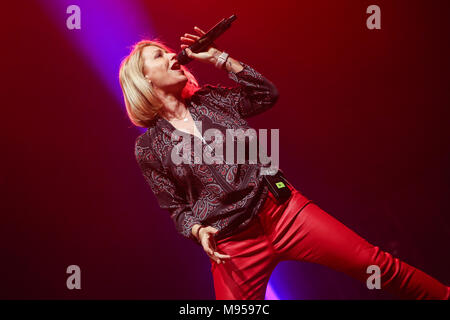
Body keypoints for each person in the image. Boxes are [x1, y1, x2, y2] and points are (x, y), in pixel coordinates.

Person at [119, 26, 450, 300]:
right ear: (145, 80)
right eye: (158, 56)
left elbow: (266, 95)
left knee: (378, 266)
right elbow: (176, 208)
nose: (172, 55)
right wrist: (197, 229)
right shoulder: (149, 147)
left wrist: (219, 58)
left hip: (283, 210)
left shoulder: (212, 99)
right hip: (234, 244)